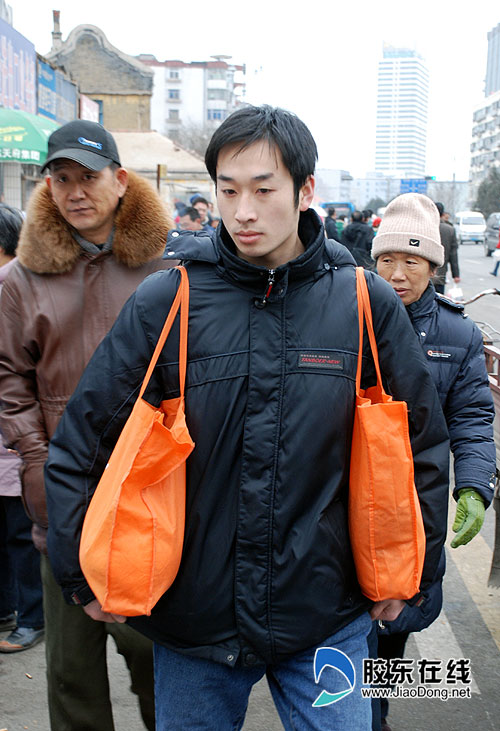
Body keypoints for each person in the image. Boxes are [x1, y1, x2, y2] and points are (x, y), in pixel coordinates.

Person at [45, 106, 450, 730]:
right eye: (228, 190)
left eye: (264, 190)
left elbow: (420, 442)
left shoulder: (362, 301)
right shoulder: (168, 300)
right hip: (194, 622)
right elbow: (83, 441)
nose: (244, 211)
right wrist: (79, 573)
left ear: (305, 190)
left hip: (327, 614)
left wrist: (414, 579)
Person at [0, 120, 176, 730]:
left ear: (121, 181)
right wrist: (34, 458)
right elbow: (8, 378)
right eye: (61, 178)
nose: (75, 191)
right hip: (62, 490)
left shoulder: (170, 267)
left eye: (89, 177)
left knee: (159, 656)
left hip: (151, 487)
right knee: (72, 668)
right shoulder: (21, 280)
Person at [372, 193, 496, 731]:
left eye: (412, 261)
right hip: (336, 507)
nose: (397, 275)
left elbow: (471, 418)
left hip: (413, 516)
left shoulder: (458, 335)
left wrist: (474, 484)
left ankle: (373, 712)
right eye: (386, 260)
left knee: (389, 642)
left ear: (434, 265)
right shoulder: (342, 317)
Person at [0, 204, 44, 653]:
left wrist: (30, 445)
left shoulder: (19, 287)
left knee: (22, 537)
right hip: (11, 442)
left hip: (17, 447)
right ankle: (7, 608)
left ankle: (32, 617)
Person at [433, 201, 460, 294]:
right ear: (442, 214)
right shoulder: (450, 230)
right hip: (440, 275)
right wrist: (456, 275)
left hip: (422, 276)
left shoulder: (422, 227)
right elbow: (453, 255)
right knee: (439, 302)